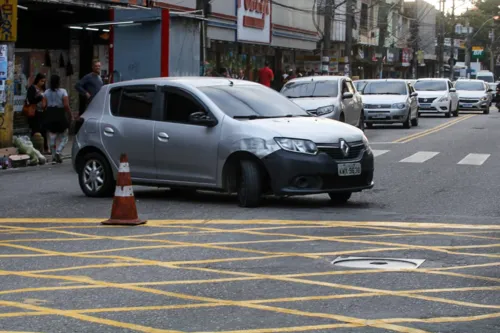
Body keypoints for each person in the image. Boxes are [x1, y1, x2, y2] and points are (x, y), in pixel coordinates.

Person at [43, 74, 72, 164]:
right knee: (65, 137)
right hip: (60, 114)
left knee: (52, 137)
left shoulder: (46, 92)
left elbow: (44, 105)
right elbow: (66, 105)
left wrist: (48, 110)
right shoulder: (63, 91)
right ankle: (59, 151)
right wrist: (70, 115)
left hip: (50, 114)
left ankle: (54, 156)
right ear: (59, 82)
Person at [26, 73, 49, 154]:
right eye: (41, 81)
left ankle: (45, 148)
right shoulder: (32, 88)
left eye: (44, 81)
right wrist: (40, 97)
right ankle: (34, 149)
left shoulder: (44, 89)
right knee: (35, 131)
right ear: (38, 80)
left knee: (44, 131)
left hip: (43, 112)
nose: (43, 83)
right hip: (35, 113)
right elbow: (31, 100)